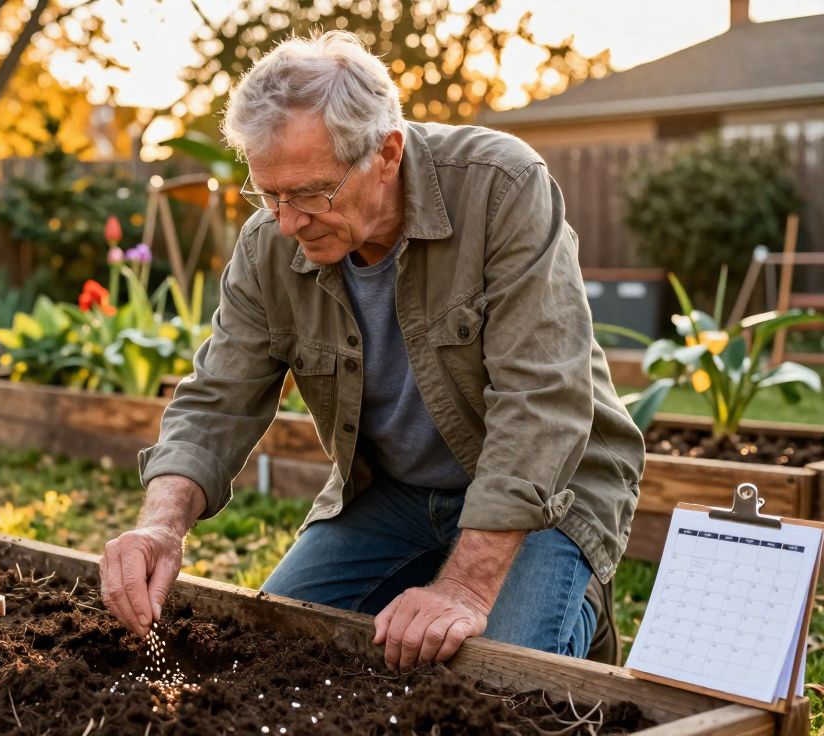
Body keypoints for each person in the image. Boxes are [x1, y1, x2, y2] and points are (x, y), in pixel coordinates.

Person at [99, 31, 645, 669]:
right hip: (392, 492)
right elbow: (218, 398)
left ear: (387, 152)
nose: (287, 222)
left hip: (550, 495)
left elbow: (542, 400)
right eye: (268, 193)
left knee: (502, 679)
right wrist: (161, 524)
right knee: (278, 655)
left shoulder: (502, 187)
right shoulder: (268, 244)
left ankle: (577, 610)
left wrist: (465, 587)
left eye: (310, 193)